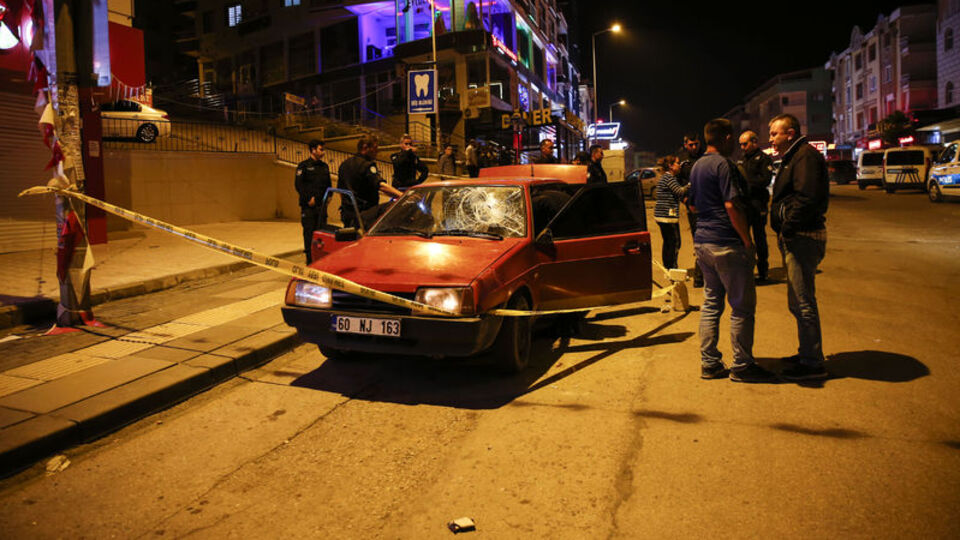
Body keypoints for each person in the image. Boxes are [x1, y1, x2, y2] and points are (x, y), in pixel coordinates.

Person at [689, 118, 775, 383]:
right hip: (727, 243)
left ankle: (710, 363)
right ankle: (742, 365)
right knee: (741, 307)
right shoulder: (723, 165)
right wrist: (747, 241)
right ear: (726, 138)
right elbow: (731, 206)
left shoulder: (697, 166)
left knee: (711, 304)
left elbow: (692, 206)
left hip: (703, 242)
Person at [768, 113, 830, 381]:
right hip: (798, 236)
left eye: (774, 134)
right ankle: (807, 352)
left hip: (802, 237)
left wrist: (788, 228)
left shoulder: (804, 156)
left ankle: (812, 362)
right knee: (798, 300)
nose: (771, 139)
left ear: (790, 133)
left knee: (803, 301)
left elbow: (806, 197)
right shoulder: (795, 156)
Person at [337, 135, 404, 229]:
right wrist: (402, 196)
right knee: (392, 207)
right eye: (375, 148)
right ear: (365, 148)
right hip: (364, 215)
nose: (377, 151)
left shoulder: (344, 164)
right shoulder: (367, 165)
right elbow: (381, 186)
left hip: (347, 214)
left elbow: (340, 190)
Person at [738, 130, 775, 282]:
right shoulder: (743, 159)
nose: (742, 147)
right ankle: (747, 269)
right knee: (744, 239)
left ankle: (762, 270)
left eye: (745, 144)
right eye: (740, 144)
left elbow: (765, 180)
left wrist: (747, 185)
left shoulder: (764, 159)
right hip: (744, 205)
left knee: (760, 238)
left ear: (754, 142)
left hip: (757, 204)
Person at [295, 139, 331, 264]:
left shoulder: (324, 167)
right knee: (309, 234)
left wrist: (328, 198)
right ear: (313, 150)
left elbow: (328, 185)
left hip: (321, 207)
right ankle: (310, 261)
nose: (323, 152)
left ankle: (321, 260)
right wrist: (308, 198)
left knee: (322, 235)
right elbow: (298, 185)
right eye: (321, 149)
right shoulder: (303, 166)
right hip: (309, 208)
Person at [677, 132, 705, 287]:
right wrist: (684, 199)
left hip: (707, 204)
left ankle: (705, 274)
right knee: (699, 241)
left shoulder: (705, 157)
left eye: (696, 144)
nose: (694, 147)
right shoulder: (682, 161)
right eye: (691, 144)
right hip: (692, 206)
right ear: (686, 145)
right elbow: (677, 183)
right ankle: (700, 277)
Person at [653, 155, 687, 270]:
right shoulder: (669, 178)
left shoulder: (665, 177)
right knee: (675, 242)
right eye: (677, 163)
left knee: (668, 242)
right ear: (671, 166)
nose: (680, 165)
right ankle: (673, 268)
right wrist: (690, 185)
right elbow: (680, 192)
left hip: (662, 216)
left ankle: (668, 267)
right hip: (667, 216)